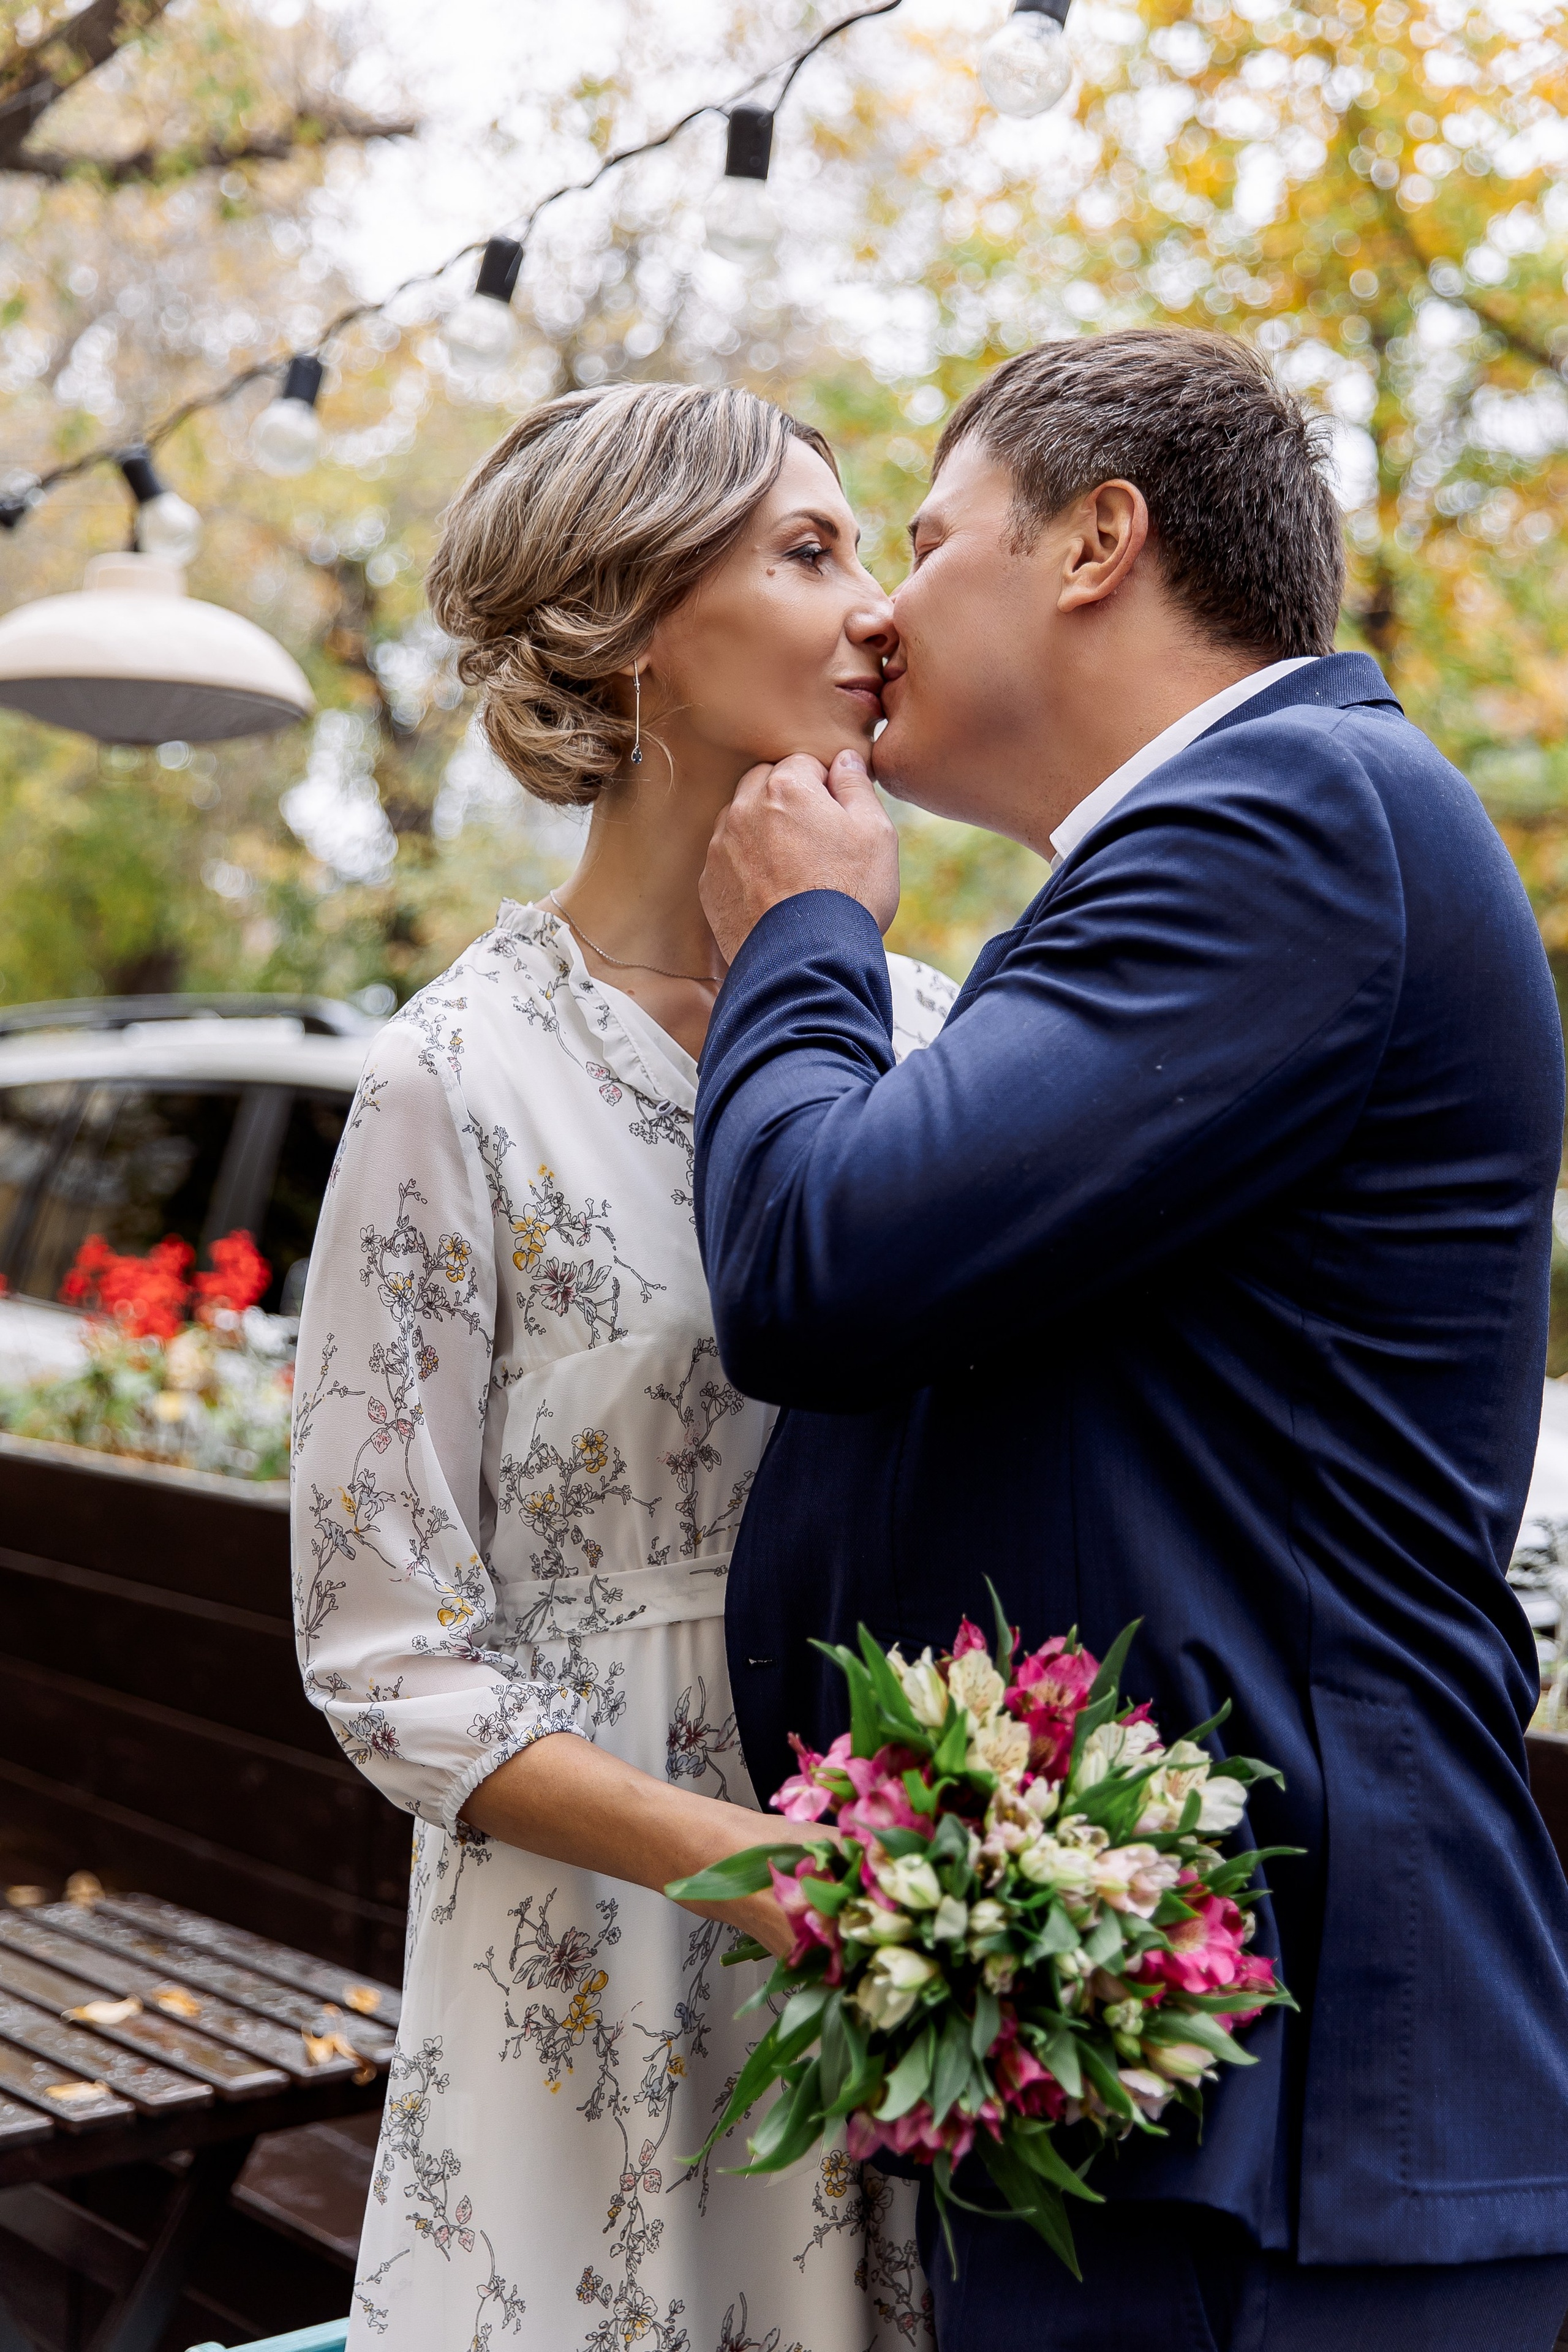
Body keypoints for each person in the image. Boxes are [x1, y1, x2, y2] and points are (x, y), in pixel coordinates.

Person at [691, 328, 1568, 2351]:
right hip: (1163, 2071)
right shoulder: (1229, 850)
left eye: (924, 541)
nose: (881, 613)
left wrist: (803, 939)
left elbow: (820, 1265)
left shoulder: (1291, 818)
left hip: (1302, 2100)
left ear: (1098, 541)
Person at [289, 381, 952, 2351]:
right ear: (640, 617)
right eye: (811, 552)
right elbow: (383, 1651)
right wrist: (730, 1861)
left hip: (904, 1932)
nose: (880, 609)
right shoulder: (453, 1076)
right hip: (590, 1955)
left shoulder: (933, 1037)